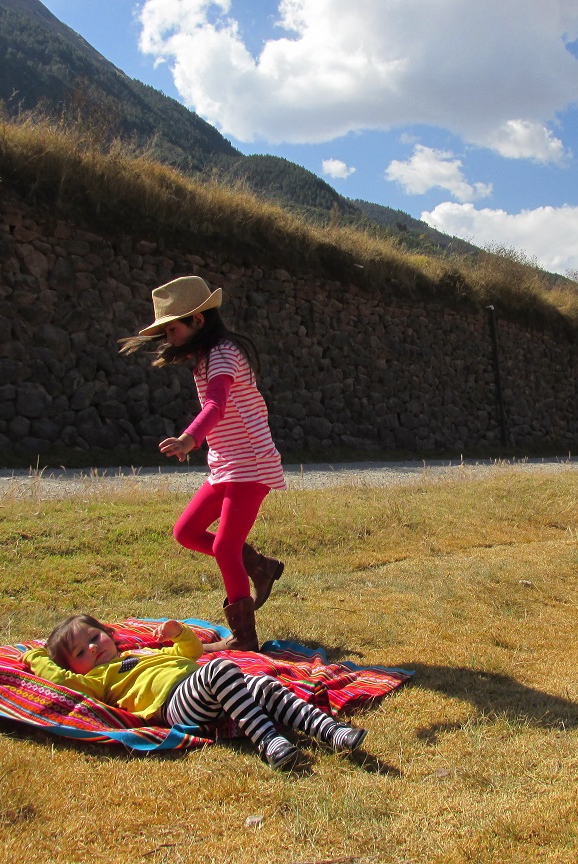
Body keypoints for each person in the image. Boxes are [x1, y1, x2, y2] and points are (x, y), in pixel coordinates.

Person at [120, 275, 285, 652]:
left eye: (172, 328)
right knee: (187, 532)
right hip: (226, 462)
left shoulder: (224, 353)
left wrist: (189, 439)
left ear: (197, 320)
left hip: (251, 462)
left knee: (226, 548)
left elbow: (216, 404)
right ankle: (258, 566)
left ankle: (244, 639)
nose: (168, 338)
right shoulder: (207, 356)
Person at [23, 614, 366, 770]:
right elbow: (60, 679)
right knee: (221, 669)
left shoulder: (143, 654)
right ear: (76, 667)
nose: (93, 649)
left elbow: (189, 652)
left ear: (110, 635)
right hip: (176, 705)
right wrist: (35, 653)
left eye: (94, 638)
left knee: (264, 684)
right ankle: (268, 741)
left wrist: (179, 631)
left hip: (214, 692)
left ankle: (331, 731)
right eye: (80, 652)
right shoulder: (100, 679)